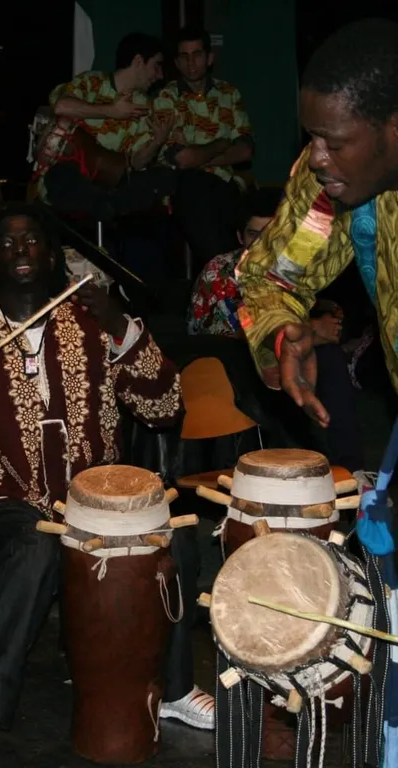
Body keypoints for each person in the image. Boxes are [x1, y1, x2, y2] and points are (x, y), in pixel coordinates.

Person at [0, 205, 213, 768]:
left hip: (96, 508)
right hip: (1, 506)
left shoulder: (94, 323)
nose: (20, 251)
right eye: (7, 244)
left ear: (53, 255)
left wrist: (123, 328)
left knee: (173, 538)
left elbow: (163, 407)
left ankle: (175, 689)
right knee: (34, 541)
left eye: (32, 241)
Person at [235, 19, 398, 766]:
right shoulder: (333, 182)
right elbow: (273, 272)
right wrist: (281, 334)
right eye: (312, 138)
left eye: (334, 140)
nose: (317, 157)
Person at [187, 186, 364, 473]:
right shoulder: (221, 271)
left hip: (276, 361)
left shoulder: (292, 268)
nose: (261, 244)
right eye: (253, 234)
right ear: (239, 236)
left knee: (327, 358)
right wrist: (311, 332)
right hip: (223, 370)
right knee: (319, 359)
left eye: (270, 234)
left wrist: (319, 323)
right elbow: (221, 342)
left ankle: (350, 472)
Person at [34, 32, 178, 219]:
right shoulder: (91, 82)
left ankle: (106, 205)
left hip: (110, 182)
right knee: (61, 176)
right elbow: (62, 106)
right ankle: (104, 205)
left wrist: (157, 142)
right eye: (156, 65)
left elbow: (136, 162)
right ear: (138, 61)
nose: (159, 75)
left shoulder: (144, 106)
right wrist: (112, 111)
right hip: (71, 178)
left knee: (160, 178)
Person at [154, 25, 254, 268]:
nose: (191, 63)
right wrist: (222, 143)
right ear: (177, 62)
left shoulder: (228, 93)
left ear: (209, 58)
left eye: (197, 55)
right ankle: (223, 276)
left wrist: (199, 155)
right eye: (184, 56)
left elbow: (245, 150)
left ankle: (229, 276)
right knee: (196, 192)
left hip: (226, 183)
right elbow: (182, 160)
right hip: (186, 185)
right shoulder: (167, 97)